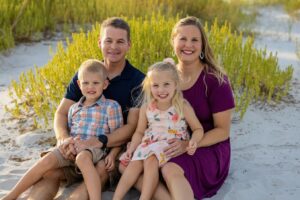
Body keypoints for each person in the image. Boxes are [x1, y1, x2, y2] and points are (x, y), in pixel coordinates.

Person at [24, 17, 145, 200]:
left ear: (129, 44)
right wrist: (63, 139)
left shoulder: (137, 80)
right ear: (99, 42)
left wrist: (99, 141)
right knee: (50, 173)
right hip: (78, 142)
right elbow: (62, 112)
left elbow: (131, 127)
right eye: (108, 40)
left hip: (113, 148)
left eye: (120, 41)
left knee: (100, 170)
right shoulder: (87, 72)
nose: (114, 46)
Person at [120, 16, 235, 200]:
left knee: (169, 168)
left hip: (206, 145)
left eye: (194, 40)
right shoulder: (165, 77)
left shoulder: (215, 80)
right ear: (173, 41)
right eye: (182, 38)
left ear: (202, 45)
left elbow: (223, 131)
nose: (188, 45)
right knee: (126, 165)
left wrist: (188, 144)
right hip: (167, 140)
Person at [2, 59, 123, 200]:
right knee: (47, 160)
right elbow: (71, 131)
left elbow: (117, 136)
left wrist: (113, 154)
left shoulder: (111, 106)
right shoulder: (74, 108)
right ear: (79, 84)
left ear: (105, 84)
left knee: (83, 157)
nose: (90, 87)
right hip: (73, 148)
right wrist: (67, 143)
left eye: (96, 83)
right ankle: (11, 195)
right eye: (86, 83)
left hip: (93, 150)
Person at [113, 61, 204, 200]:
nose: (161, 90)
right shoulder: (146, 107)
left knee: (150, 159)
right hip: (149, 143)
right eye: (155, 85)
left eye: (166, 84)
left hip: (170, 145)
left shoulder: (182, 106)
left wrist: (193, 141)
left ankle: (145, 197)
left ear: (175, 84)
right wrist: (131, 149)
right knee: (133, 165)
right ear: (149, 87)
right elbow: (139, 132)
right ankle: (116, 197)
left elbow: (198, 129)